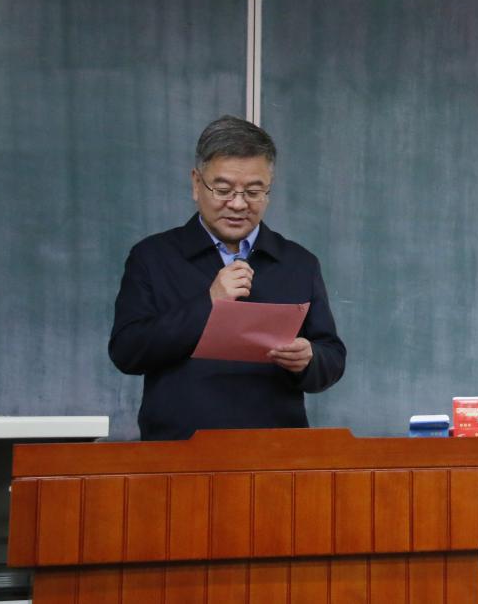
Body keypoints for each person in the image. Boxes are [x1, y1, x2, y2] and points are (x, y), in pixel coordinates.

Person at [109, 115, 345, 440]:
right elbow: (127, 352)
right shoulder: (153, 257)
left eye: (253, 191)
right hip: (178, 452)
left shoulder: (298, 262)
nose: (237, 204)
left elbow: (332, 358)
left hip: (277, 452)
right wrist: (209, 303)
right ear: (196, 184)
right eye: (223, 190)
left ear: (268, 190)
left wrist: (309, 358)